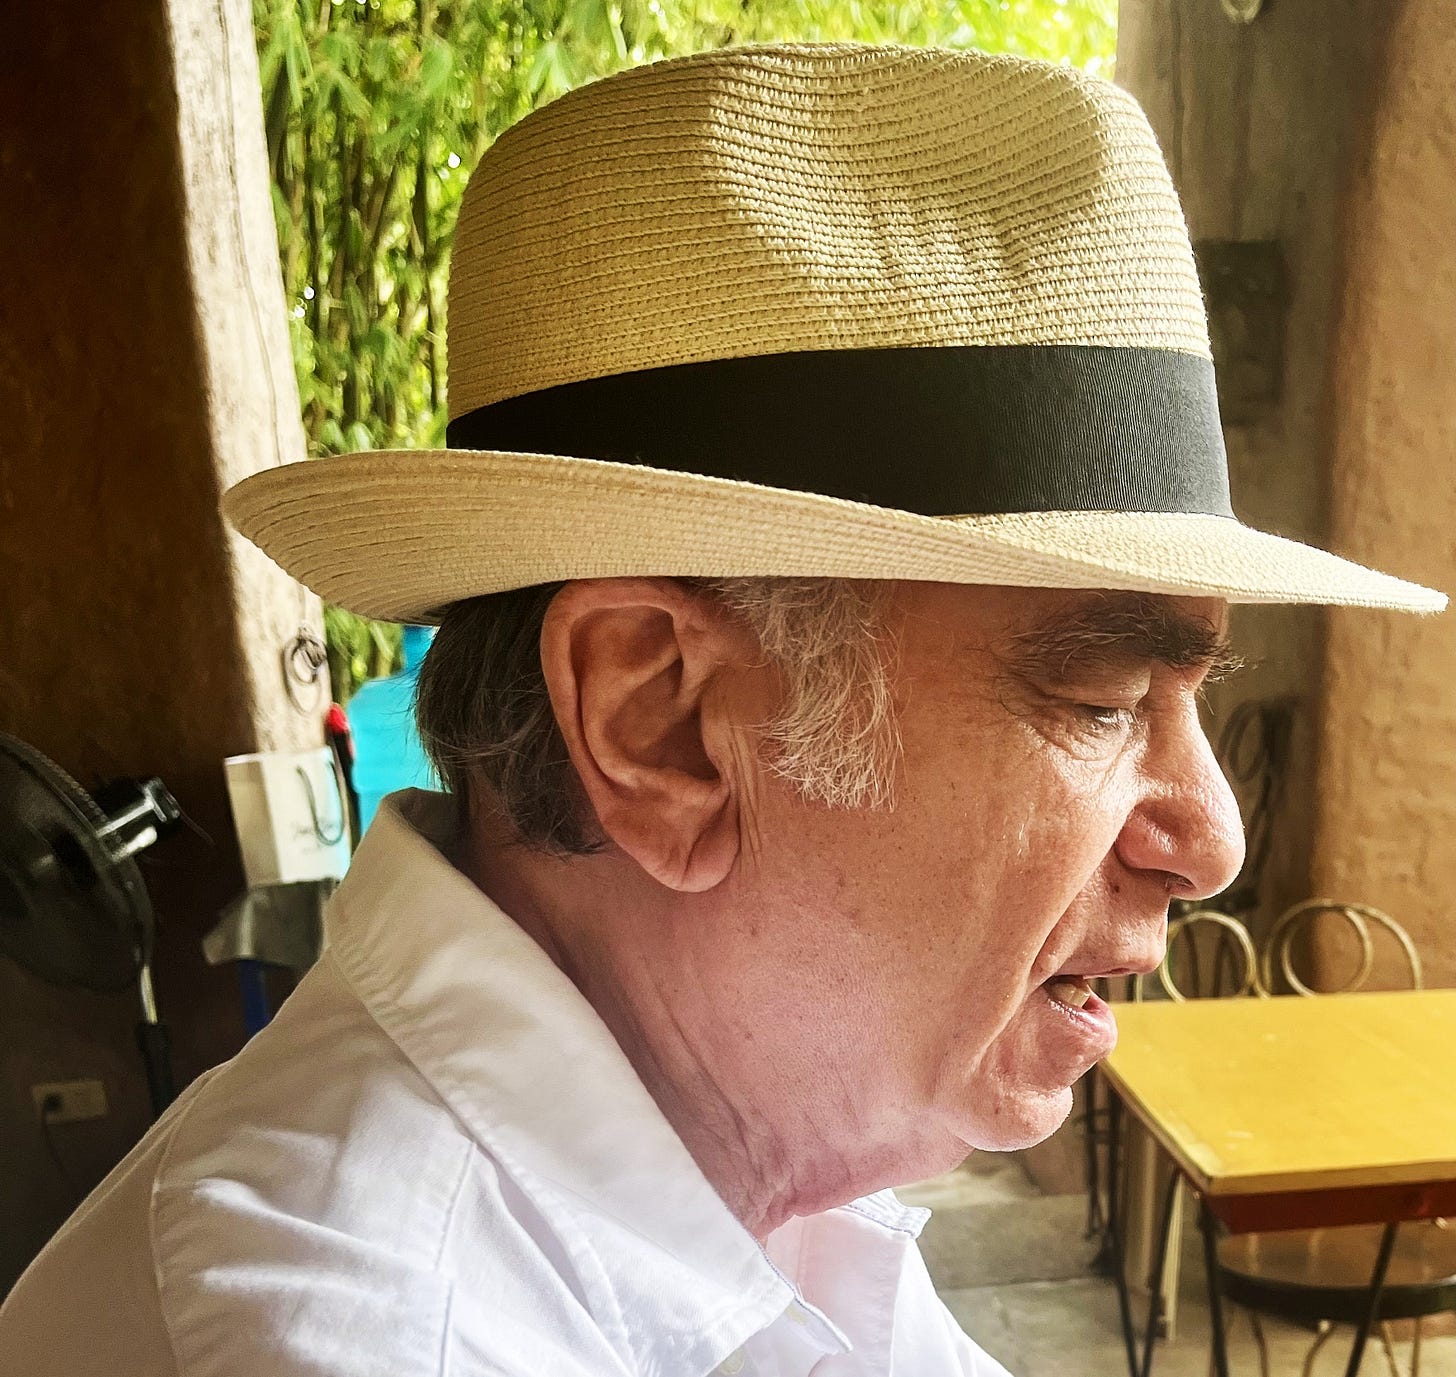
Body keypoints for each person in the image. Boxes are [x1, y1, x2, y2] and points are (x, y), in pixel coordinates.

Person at [1, 41, 1440, 1377]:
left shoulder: (749, 1163)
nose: (1211, 840)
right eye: (1103, 697)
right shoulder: (373, 1331)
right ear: (664, 725)